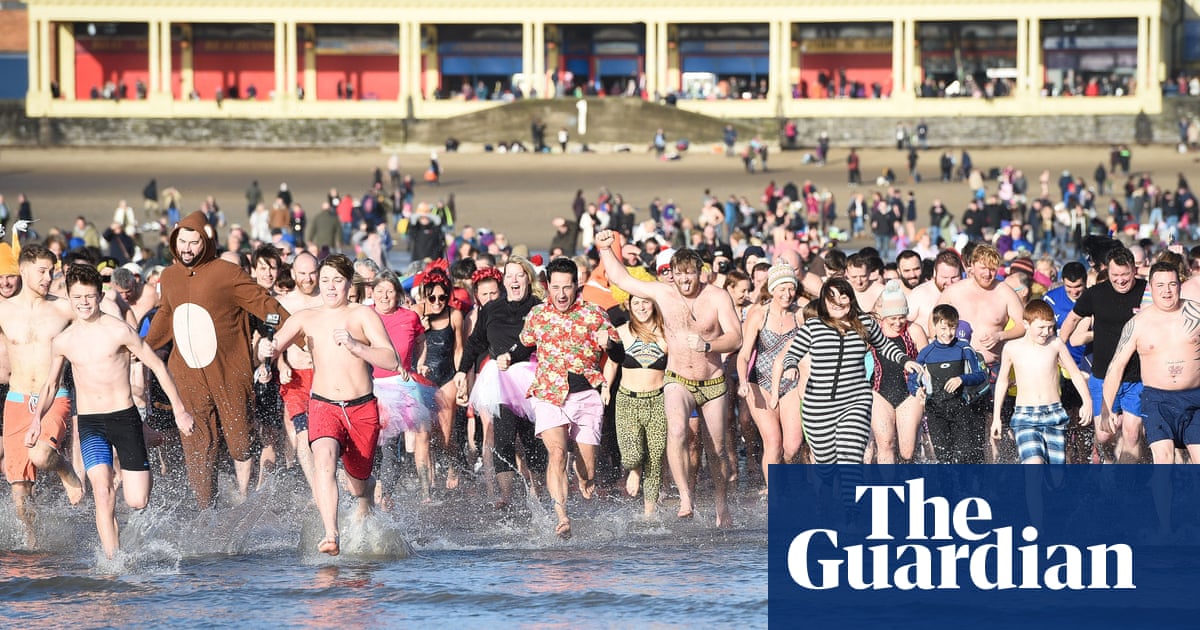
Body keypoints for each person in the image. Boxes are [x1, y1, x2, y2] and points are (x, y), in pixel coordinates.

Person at [31, 264, 195, 558]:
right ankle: (113, 561)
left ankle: (143, 439)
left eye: (90, 296)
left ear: (100, 295)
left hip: (125, 418)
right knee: (102, 491)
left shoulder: (120, 331)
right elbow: (51, 384)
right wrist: (36, 420)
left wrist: (180, 410)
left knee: (136, 500)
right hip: (91, 423)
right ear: (69, 297)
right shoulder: (64, 340)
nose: (84, 303)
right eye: (77, 297)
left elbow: (157, 365)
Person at [146, 211, 290, 509]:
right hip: (187, 375)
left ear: (206, 241)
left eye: (193, 242)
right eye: (182, 241)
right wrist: (139, 349)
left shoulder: (226, 272)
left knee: (240, 446)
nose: (186, 248)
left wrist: (298, 333)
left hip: (228, 372)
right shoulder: (169, 277)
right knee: (197, 448)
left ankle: (228, 450)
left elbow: (264, 304)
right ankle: (205, 512)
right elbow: (164, 316)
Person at [595, 230, 739, 527]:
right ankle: (685, 496)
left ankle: (721, 506)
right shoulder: (663, 292)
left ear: (700, 272)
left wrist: (709, 345)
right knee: (677, 432)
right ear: (671, 275)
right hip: (677, 379)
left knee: (718, 449)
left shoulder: (717, 296)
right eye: (680, 275)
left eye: (691, 274)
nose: (686, 280)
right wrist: (606, 249)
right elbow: (623, 280)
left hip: (712, 382)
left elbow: (735, 337)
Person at [260, 254, 401, 556]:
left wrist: (356, 346)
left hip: (362, 408)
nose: (330, 287)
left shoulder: (363, 315)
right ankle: (331, 533)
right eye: (325, 280)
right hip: (323, 404)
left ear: (350, 283)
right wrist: (265, 351)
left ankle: (367, 496)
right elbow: (273, 347)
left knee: (357, 486)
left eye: (337, 280)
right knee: (323, 460)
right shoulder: (305, 318)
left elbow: (392, 359)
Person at [777, 277, 920, 464]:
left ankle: (850, 493)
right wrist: (790, 366)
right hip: (818, 406)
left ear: (851, 299)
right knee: (826, 463)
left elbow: (885, 345)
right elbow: (792, 354)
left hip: (855, 402)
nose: (837, 302)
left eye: (842, 297)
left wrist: (904, 360)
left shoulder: (865, 324)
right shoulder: (813, 327)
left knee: (850, 458)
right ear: (824, 302)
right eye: (832, 298)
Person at [518, 258, 611, 538]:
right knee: (556, 453)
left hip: (585, 395)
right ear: (547, 286)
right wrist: (507, 356)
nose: (560, 294)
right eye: (555, 287)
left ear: (576, 285)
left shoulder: (595, 314)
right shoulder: (537, 314)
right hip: (549, 392)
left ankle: (582, 475)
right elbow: (524, 343)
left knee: (588, 472)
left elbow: (616, 352)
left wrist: (611, 345)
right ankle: (562, 517)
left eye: (566, 287)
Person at [0, 244, 86, 545]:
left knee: (41, 454)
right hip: (16, 399)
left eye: (52, 271)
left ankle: (65, 469)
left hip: (53, 396)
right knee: (19, 490)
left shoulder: (63, 307)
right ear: (23, 270)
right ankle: (33, 544)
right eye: (42, 271)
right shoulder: (3, 310)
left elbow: (97, 318)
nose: (48, 277)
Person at [453, 256, 545, 509]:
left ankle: (537, 492)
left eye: (519, 275)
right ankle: (506, 495)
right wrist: (462, 371)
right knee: (503, 438)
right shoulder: (492, 309)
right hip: (501, 378)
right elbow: (475, 343)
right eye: (509, 276)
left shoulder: (539, 308)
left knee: (532, 440)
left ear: (528, 278)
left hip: (531, 377)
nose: (514, 280)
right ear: (504, 280)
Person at [1104, 262, 1200, 463]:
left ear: (1180, 286)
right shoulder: (1138, 323)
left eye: (1172, 284)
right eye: (1160, 285)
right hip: (1157, 400)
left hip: (1195, 398)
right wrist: (1107, 407)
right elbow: (1116, 366)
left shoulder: (1196, 314)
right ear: (1151, 287)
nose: (1167, 291)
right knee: (1164, 457)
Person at [1058, 248, 1146, 463]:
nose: (1120, 280)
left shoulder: (1147, 291)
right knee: (1104, 435)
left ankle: (1126, 483)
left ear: (1135, 270)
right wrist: (1058, 348)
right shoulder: (1096, 293)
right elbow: (1071, 320)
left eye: (1125, 275)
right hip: (1103, 375)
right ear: (1108, 271)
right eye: (1115, 275)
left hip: (1137, 377)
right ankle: (1107, 460)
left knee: (1132, 433)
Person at [990, 300, 1092, 464]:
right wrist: (997, 417)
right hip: (1025, 416)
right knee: (1034, 465)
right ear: (1026, 324)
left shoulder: (1055, 344)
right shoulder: (1012, 348)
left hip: (1054, 414)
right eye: (1041, 328)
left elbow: (1074, 373)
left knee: (1055, 479)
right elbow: (1002, 381)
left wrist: (1087, 401)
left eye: (1050, 327)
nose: (1046, 332)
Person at [604, 271, 669, 517]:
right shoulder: (621, 332)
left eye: (646, 302)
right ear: (628, 305)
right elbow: (612, 363)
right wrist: (605, 387)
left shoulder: (666, 334)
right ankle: (634, 470)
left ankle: (649, 513)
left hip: (658, 401)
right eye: (636, 302)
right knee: (632, 456)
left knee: (655, 457)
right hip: (627, 401)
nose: (641, 307)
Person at [371, 272, 438, 503]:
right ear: (372, 293)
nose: (384, 296)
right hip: (368, 385)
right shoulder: (365, 315)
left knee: (390, 443)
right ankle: (368, 488)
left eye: (389, 291)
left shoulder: (409, 317)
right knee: (369, 442)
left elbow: (421, 341)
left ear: (398, 294)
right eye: (379, 291)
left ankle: (386, 494)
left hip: (398, 386)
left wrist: (418, 363)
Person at [736, 263, 802, 492]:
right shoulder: (759, 314)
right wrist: (743, 382)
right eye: (781, 288)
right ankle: (776, 492)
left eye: (791, 288)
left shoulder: (799, 314)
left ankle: (787, 479)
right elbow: (743, 355)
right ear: (772, 289)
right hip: (759, 382)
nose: (787, 294)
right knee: (773, 442)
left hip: (791, 384)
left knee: (792, 446)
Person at [412, 267, 466, 491]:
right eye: (432, 297)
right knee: (424, 435)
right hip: (421, 379)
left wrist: (461, 379)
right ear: (424, 294)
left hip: (447, 378)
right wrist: (419, 330)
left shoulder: (454, 315)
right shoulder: (415, 312)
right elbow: (405, 346)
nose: (437, 302)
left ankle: (454, 464)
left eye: (442, 297)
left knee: (443, 436)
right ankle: (428, 486)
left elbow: (458, 350)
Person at [915, 304, 990, 463]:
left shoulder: (964, 348)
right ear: (934, 327)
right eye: (943, 328)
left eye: (952, 328)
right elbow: (913, 378)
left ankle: (967, 486)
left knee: (964, 455)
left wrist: (961, 379)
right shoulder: (926, 352)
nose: (948, 333)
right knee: (944, 457)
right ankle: (947, 487)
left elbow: (981, 375)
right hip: (935, 410)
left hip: (960, 408)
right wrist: (916, 389)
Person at [868, 281, 928, 463]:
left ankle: (911, 480)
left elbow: (926, 363)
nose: (897, 322)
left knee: (907, 452)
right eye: (892, 318)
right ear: (883, 316)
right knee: (885, 443)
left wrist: (924, 387)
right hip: (879, 392)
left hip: (910, 393)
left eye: (901, 317)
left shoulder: (914, 331)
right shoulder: (873, 332)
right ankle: (888, 487)